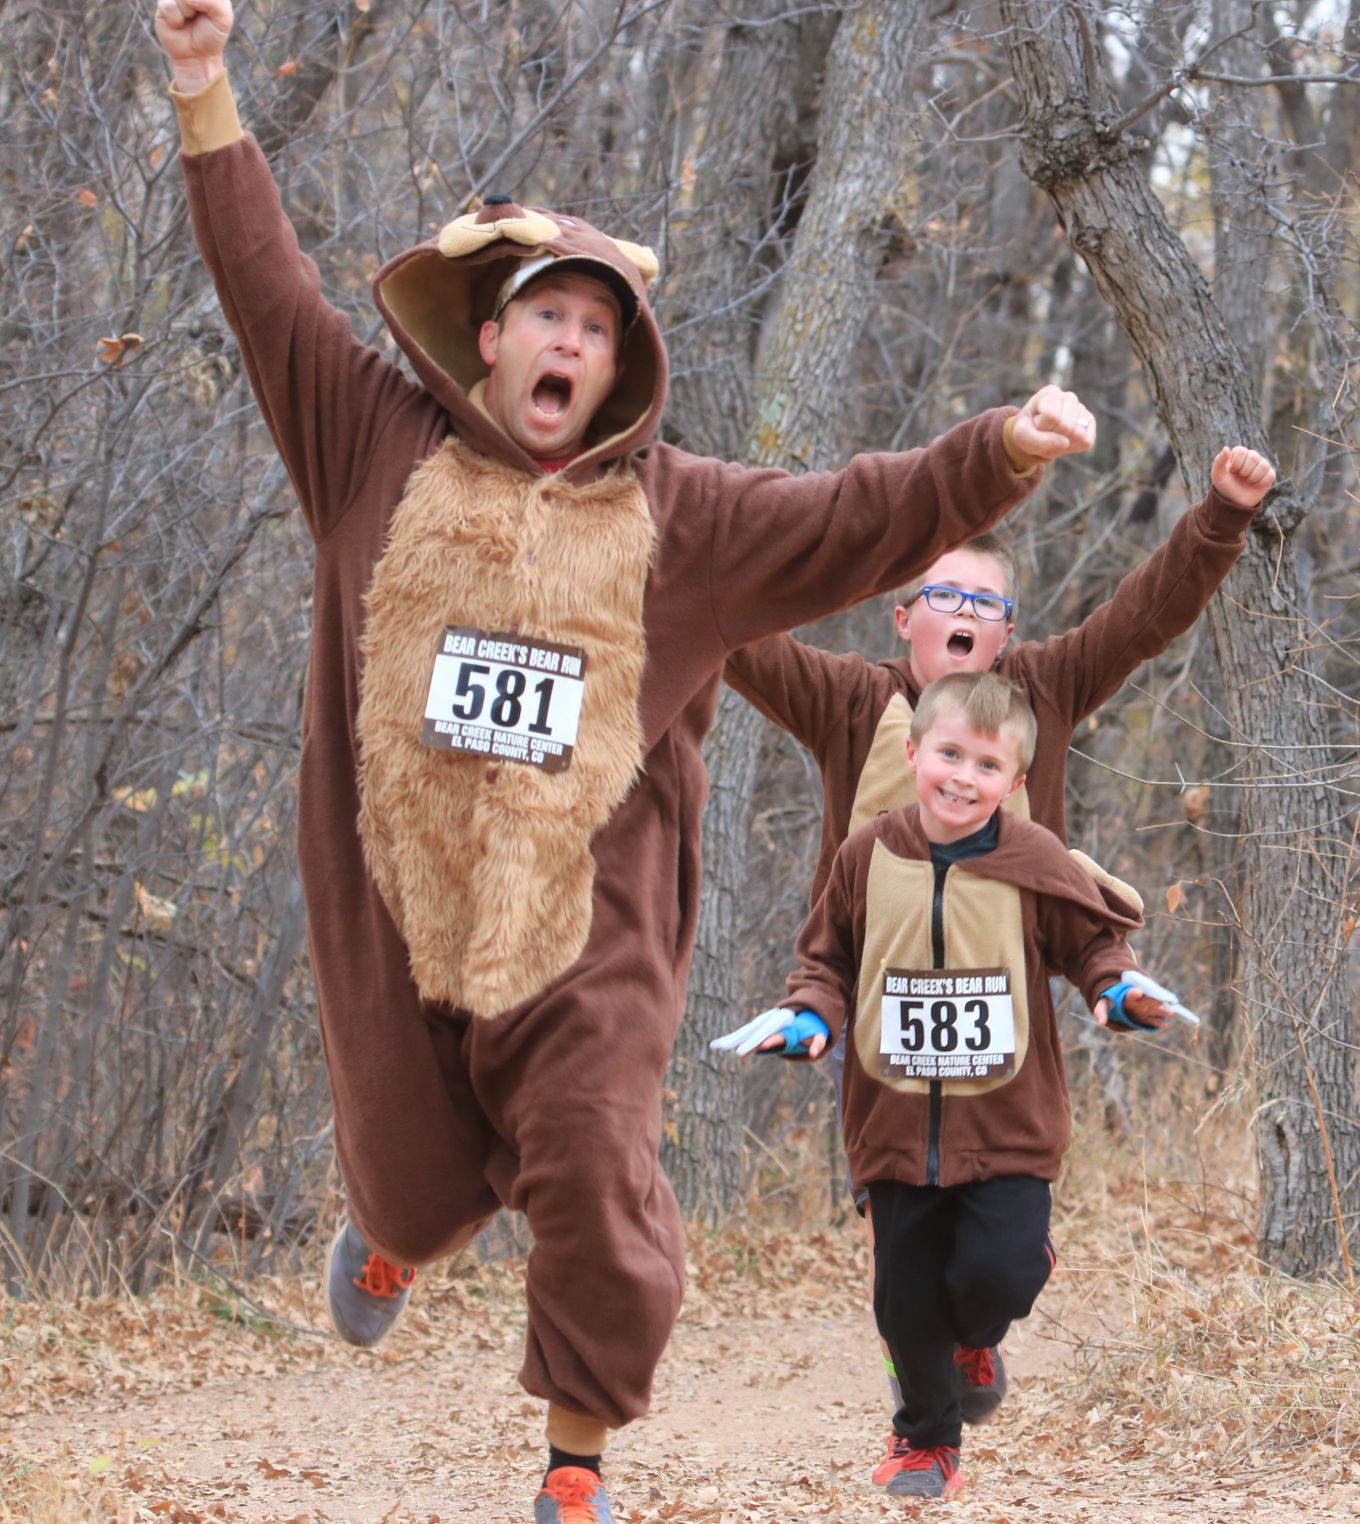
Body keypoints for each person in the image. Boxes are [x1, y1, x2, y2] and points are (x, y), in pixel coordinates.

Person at [152, 2, 1102, 1517]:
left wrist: (1001, 450)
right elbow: (266, 292)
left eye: (598, 331)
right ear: (494, 336)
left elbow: (853, 513)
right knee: (407, 1175)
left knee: (592, 1171)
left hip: (582, 936)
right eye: (550, 319)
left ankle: (572, 1464)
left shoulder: (681, 519)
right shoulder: (367, 444)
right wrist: (204, 87)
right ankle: (394, 1221)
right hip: (404, 914)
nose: (572, 346)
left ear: (617, 367)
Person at [721, 443, 1276, 1449]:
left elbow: (1144, 617)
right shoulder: (851, 700)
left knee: (997, 1257)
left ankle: (973, 1325)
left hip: (1005, 1012)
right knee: (906, 1251)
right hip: (883, 1018)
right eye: (945, 593)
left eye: (990, 604)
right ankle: (929, 1367)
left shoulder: (1043, 688)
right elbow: (734, 639)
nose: (969, 614)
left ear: (1008, 632)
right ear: (905, 618)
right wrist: (666, 551)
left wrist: (1219, 519)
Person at [714, 671, 1181, 1500]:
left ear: (1016, 783)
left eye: (987, 765)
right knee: (903, 1299)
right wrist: (809, 1019)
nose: (963, 777)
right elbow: (823, 963)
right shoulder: (867, 855)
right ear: (912, 752)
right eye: (949, 754)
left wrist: (1119, 993)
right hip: (892, 1127)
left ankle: (980, 1332)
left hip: (1007, 1124)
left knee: (992, 1276)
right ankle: (926, 1442)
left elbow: (1093, 948)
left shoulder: (1031, 858)